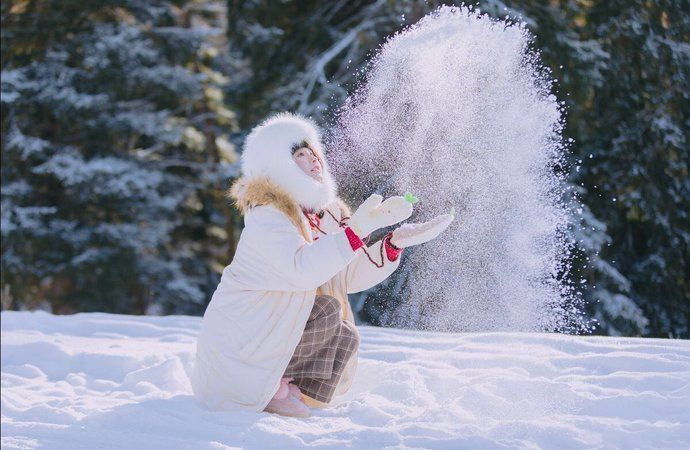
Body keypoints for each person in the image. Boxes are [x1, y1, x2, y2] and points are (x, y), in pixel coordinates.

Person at [191, 112, 453, 417]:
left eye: (312, 151)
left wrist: (393, 244)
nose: (313, 158)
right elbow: (301, 270)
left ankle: (293, 391)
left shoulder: (325, 215)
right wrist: (355, 232)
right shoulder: (267, 216)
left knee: (346, 335)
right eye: (300, 155)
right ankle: (267, 388)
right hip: (240, 349)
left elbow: (346, 275)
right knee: (326, 310)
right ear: (279, 165)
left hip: (271, 334)